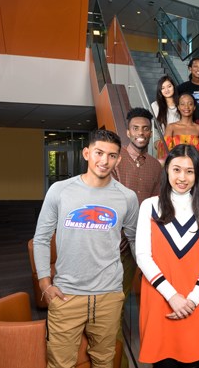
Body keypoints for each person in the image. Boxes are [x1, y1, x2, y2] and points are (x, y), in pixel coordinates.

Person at [33, 129, 139, 368]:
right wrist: (44, 283)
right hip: (66, 294)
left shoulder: (127, 197)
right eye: (99, 153)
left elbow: (136, 243)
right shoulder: (60, 191)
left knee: (104, 361)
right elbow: (41, 238)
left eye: (112, 155)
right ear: (86, 153)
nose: (104, 160)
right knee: (60, 364)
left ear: (118, 159)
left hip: (109, 295)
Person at [136, 144, 199, 368]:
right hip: (160, 299)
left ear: (197, 174)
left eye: (189, 171)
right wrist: (172, 296)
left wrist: (192, 299)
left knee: (193, 362)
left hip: (195, 301)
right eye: (176, 169)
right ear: (167, 171)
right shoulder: (149, 206)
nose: (182, 177)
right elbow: (142, 256)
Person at [112, 107, 163, 368]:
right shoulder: (116, 159)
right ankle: (120, 361)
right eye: (136, 128)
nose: (141, 133)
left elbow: (158, 207)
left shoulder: (156, 166)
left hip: (149, 246)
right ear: (128, 131)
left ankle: (153, 353)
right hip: (119, 246)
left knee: (153, 302)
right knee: (117, 304)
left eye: (146, 128)